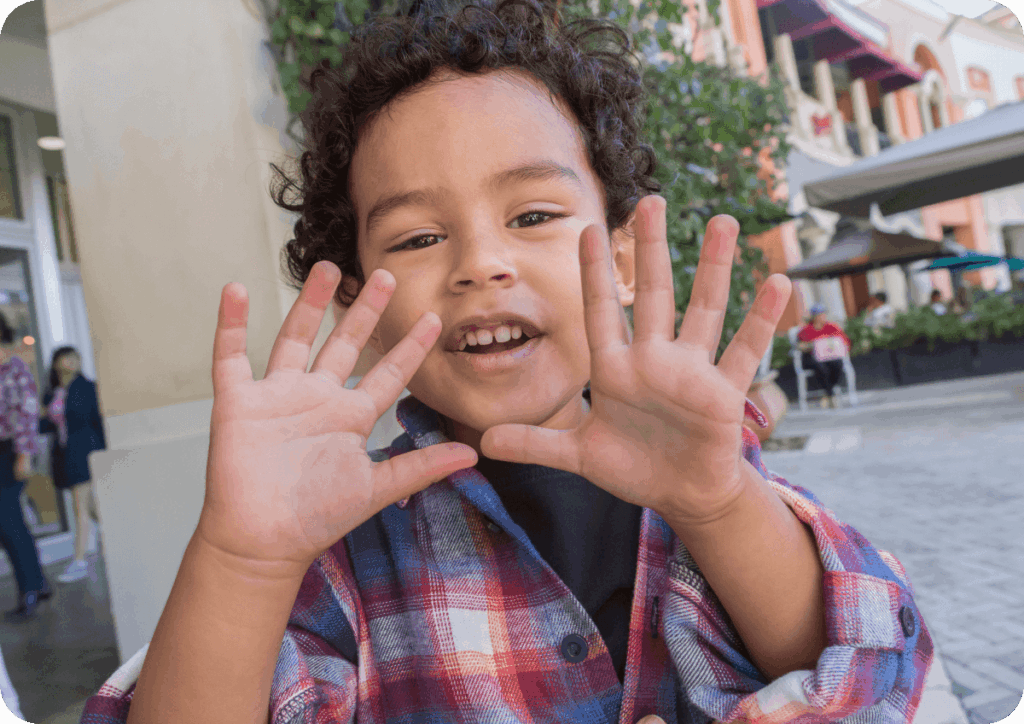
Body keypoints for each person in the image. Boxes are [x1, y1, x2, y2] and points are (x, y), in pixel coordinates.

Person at [80, 2, 932, 722]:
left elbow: (872, 673)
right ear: (362, 313)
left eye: (531, 215)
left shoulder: (709, 477)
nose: (481, 263)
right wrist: (242, 559)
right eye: (418, 237)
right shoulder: (334, 552)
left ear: (627, 260)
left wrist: (719, 504)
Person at [0, 312, 52, 622]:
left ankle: (29, 589)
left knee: (9, 521)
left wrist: (25, 454)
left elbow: (28, 413)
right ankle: (38, 582)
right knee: (7, 525)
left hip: (10, 451)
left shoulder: (14, 367)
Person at [39, 346, 106, 583]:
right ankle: (117, 540)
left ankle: (79, 561)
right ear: (57, 363)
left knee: (80, 508)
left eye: (76, 358)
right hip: (64, 457)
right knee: (89, 507)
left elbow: (97, 420)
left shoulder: (87, 388)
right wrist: (40, 416)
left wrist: (103, 453)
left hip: (84, 452)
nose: (73, 362)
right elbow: (47, 427)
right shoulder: (53, 393)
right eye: (67, 358)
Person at [796, 304, 850, 409]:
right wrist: (813, 345)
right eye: (819, 315)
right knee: (821, 368)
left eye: (823, 314)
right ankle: (830, 395)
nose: (822, 317)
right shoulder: (806, 330)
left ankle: (828, 394)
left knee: (838, 365)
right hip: (813, 357)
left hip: (831, 356)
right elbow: (800, 345)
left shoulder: (832, 327)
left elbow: (843, 341)